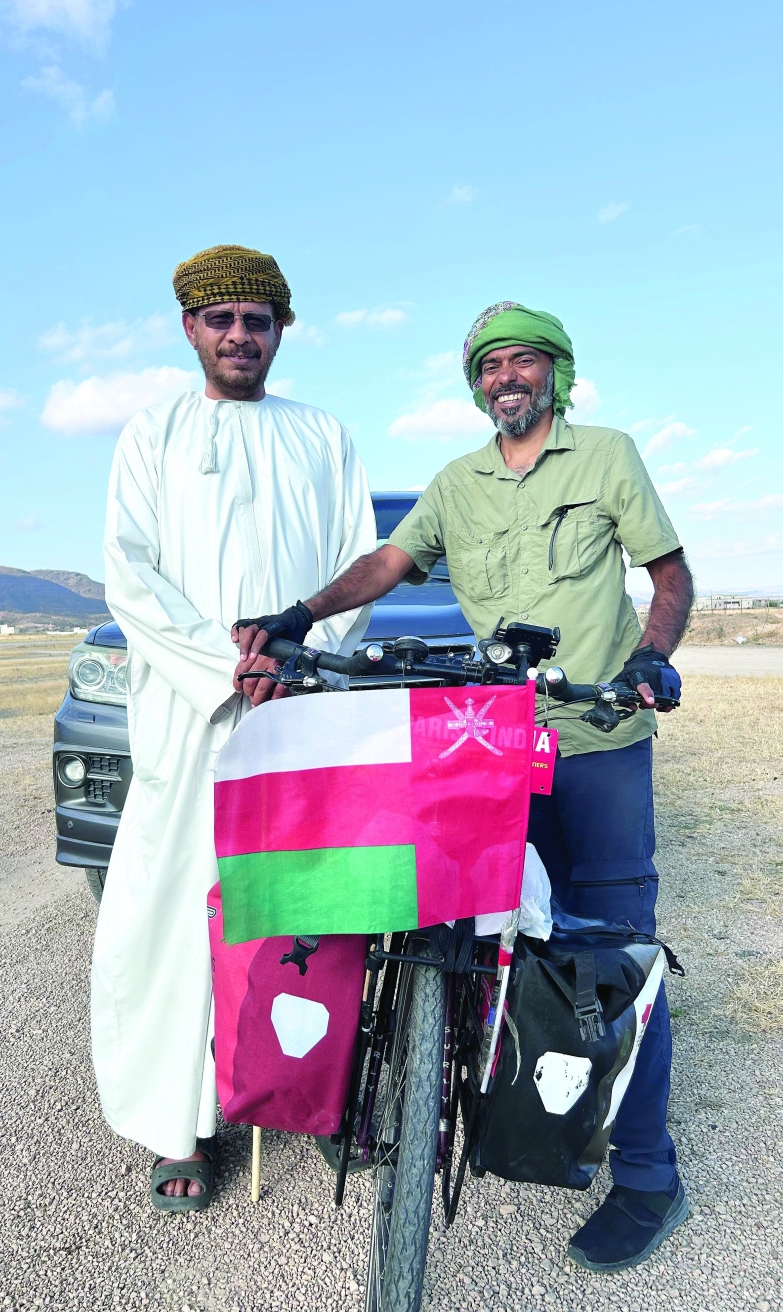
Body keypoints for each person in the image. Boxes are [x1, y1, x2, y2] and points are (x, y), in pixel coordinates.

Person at [233, 301, 694, 1271]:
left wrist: (652, 660)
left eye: (523, 361)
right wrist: (299, 614)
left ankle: (650, 1177)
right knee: (455, 925)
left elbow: (668, 577)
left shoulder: (606, 455)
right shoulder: (457, 482)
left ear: (555, 374)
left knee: (611, 949)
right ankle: (430, 1089)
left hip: (600, 738)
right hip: (493, 743)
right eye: (489, 366)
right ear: (476, 383)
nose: (505, 378)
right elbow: (387, 563)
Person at [93, 244, 376, 1211]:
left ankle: (304, 1091)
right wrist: (227, 665)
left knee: (301, 913)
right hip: (189, 715)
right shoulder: (152, 434)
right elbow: (130, 575)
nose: (240, 336)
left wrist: (296, 660)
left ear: (281, 332)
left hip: (295, 714)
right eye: (223, 320)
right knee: (175, 913)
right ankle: (181, 1128)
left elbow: (354, 565)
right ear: (189, 329)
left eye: (258, 320)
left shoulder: (324, 436)